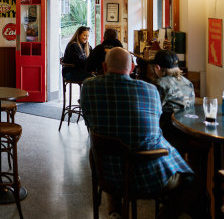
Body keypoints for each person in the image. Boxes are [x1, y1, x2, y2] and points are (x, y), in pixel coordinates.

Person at [81, 47, 195, 218]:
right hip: (146, 175)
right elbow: (155, 124)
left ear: (104, 67)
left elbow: (89, 122)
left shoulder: (88, 87)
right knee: (189, 178)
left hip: (106, 171)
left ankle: (115, 210)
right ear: (132, 69)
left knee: (115, 149)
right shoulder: (150, 91)